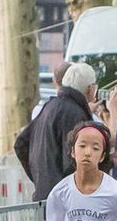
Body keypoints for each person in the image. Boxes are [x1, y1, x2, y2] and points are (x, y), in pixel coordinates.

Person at [18, 62, 100, 201]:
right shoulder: (76, 114)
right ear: (90, 89)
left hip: (46, 195)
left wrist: (41, 180)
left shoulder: (49, 107)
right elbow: (75, 160)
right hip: (67, 199)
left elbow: (21, 144)